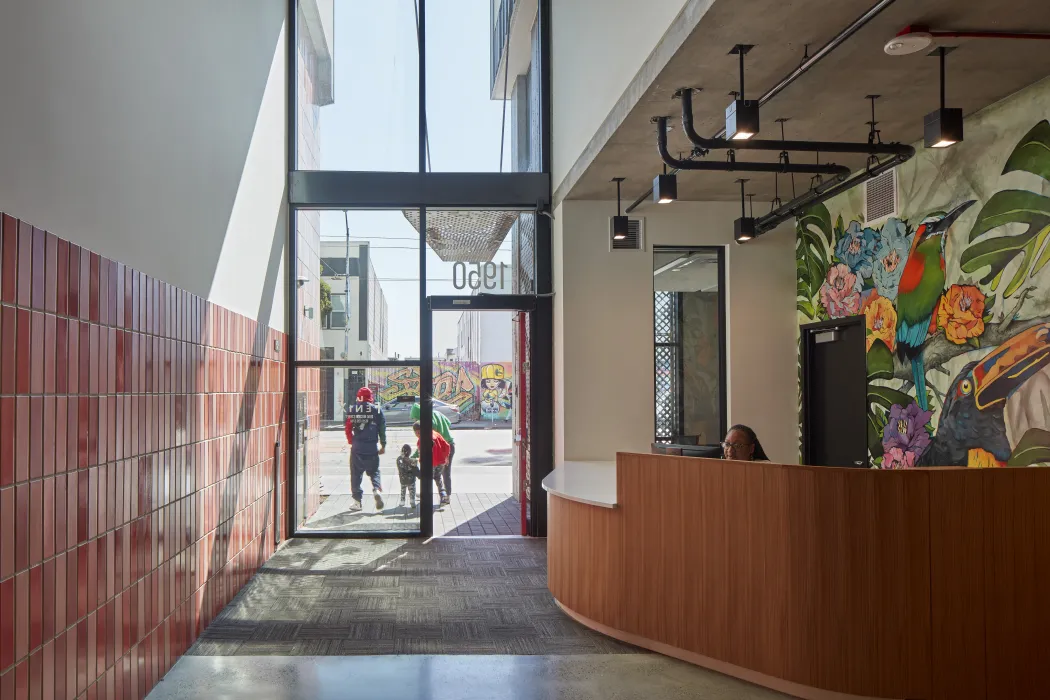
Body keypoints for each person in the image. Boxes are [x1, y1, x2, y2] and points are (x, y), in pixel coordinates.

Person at [345, 387, 387, 512]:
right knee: (374, 471)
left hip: (357, 447)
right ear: (370, 396)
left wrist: (352, 441)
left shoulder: (353, 409)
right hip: (371, 447)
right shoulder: (376, 410)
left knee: (356, 474)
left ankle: (357, 502)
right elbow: (382, 428)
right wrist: (383, 444)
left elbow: (348, 428)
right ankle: (375, 489)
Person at [410, 402, 456, 496]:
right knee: (445, 473)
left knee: (436, 473)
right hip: (449, 444)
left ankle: (443, 495)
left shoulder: (427, 421)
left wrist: (415, 455)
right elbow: (448, 423)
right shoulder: (436, 413)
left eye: (416, 418)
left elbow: (425, 443)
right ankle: (445, 494)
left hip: (441, 447)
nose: (416, 420)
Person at [413, 420, 452, 506]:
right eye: (416, 433)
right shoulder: (436, 434)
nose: (417, 435)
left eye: (418, 433)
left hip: (430, 463)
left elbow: (422, 453)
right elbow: (447, 446)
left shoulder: (422, 440)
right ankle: (443, 495)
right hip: (440, 462)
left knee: (426, 479)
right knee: (438, 478)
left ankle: (426, 496)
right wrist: (446, 457)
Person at [396, 444, 419, 511]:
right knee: (412, 489)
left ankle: (402, 501)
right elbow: (415, 469)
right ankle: (412, 501)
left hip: (402, 478)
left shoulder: (398, 459)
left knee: (403, 489)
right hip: (411, 479)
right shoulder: (412, 460)